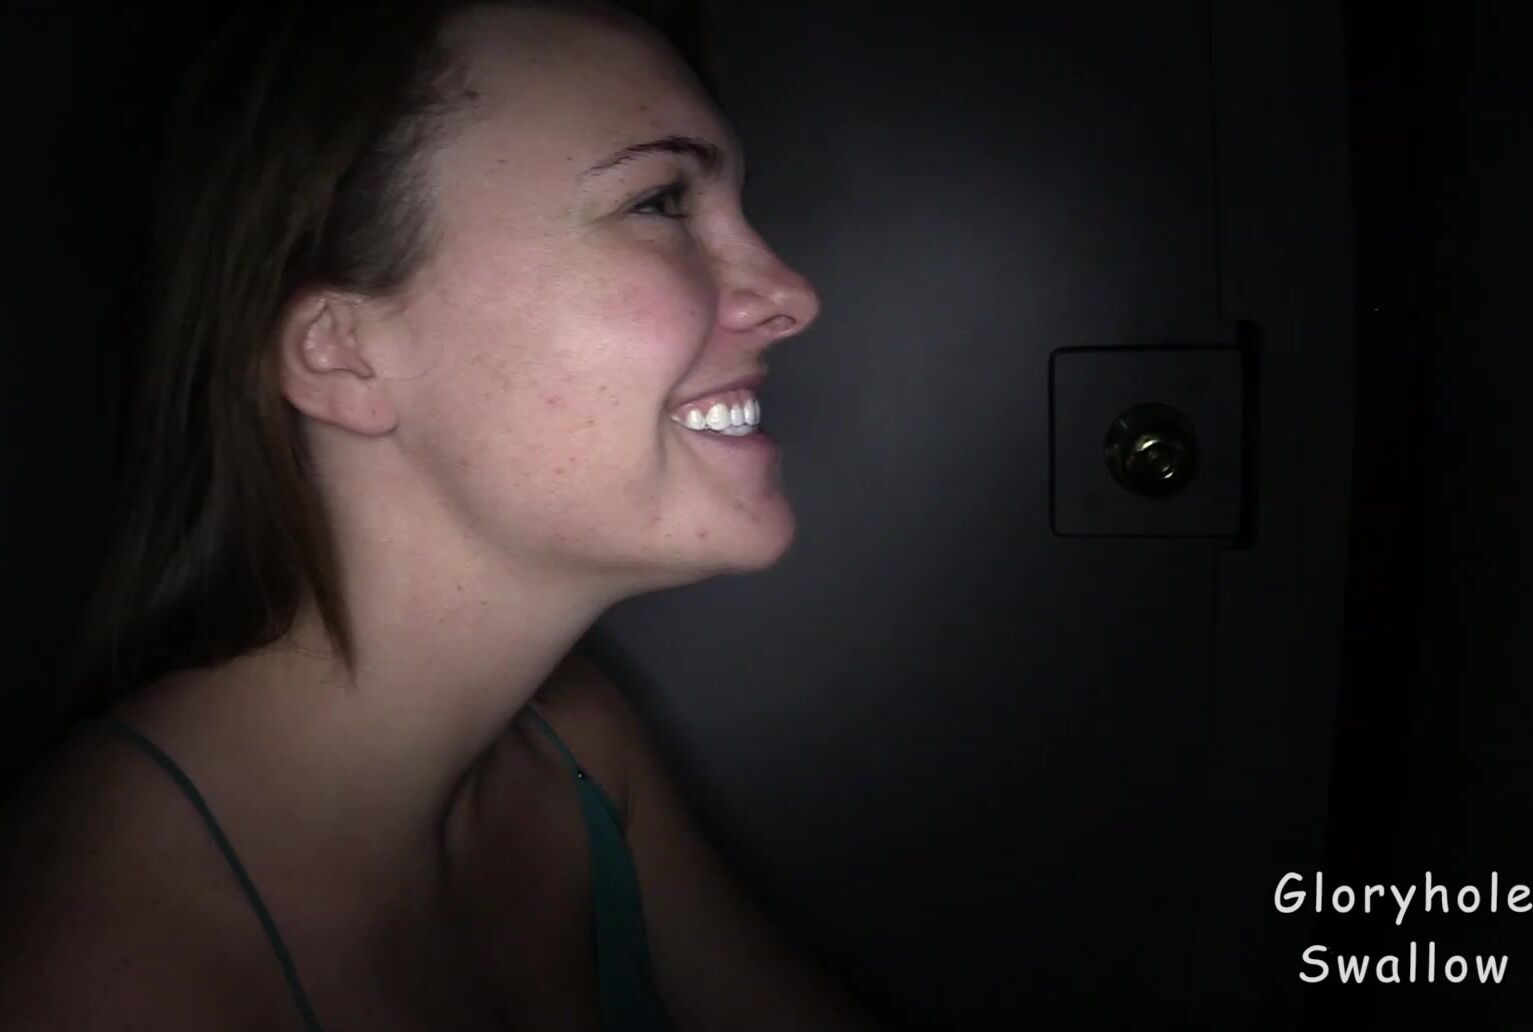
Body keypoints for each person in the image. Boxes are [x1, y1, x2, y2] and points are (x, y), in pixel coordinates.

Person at [0, 1, 880, 1028]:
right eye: (660, 203)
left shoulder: (576, 748)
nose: (790, 294)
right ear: (344, 353)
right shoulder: (98, 974)